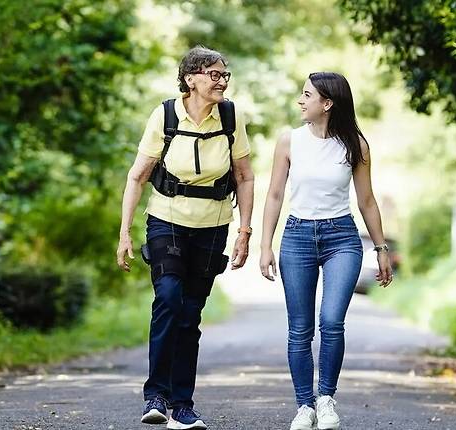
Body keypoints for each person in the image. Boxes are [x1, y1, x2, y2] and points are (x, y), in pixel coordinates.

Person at [117, 46, 254, 429]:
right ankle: (156, 395)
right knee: (168, 298)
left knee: (190, 313)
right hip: (167, 218)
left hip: (213, 225)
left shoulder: (231, 117)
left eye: (225, 75)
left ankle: (182, 405)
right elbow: (137, 176)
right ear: (190, 78)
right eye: (214, 74)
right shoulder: (164, 115)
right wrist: (124, 232)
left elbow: (245, 176)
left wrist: (244, 231)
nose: (222, 81)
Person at [259, 72, 393, 430]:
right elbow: (274, 195)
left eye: (307, 95)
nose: (300, 101)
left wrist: (381, 248)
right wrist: (265, 245)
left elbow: (366, 200)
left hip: (342, 239)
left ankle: (326, 400)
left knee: (332, 321)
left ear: (327, 103)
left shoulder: (356, 146)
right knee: (300, 329)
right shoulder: (289, 141)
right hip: (297, 237)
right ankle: (304, 406)